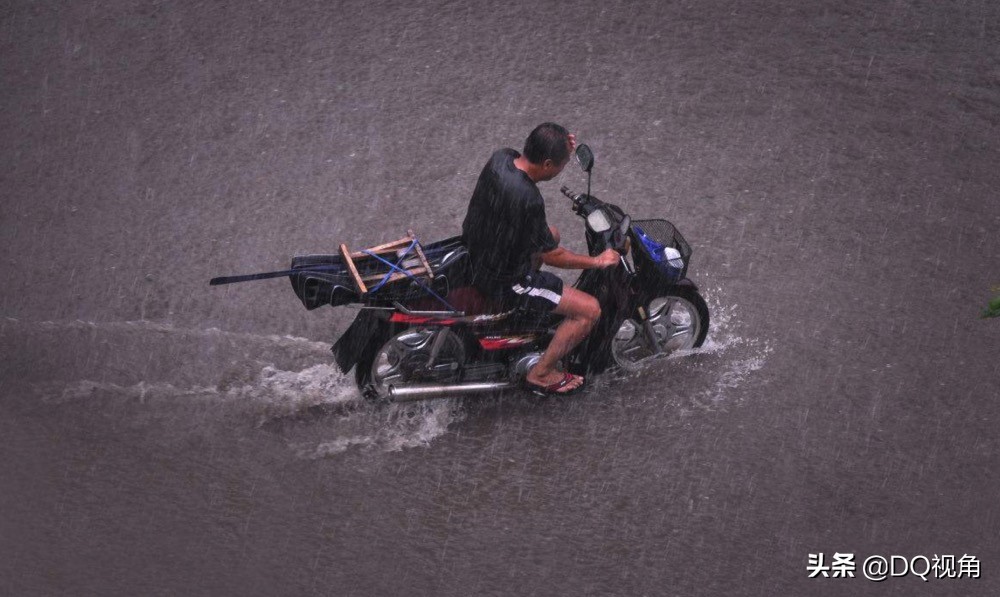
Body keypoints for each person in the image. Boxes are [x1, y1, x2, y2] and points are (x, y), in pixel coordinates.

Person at [461, 123, 619, 395]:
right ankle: (541, 372)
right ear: (547, 163)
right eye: (562, 163)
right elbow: (553, 256)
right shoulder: (528, 198)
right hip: (502, 277)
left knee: (552, 234)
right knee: (589, 310)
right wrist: (598, 261)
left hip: (480, 248)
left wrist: (559, 144)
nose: (562, 168)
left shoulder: (501, 158)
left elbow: (546, 241)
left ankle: (525, 320)